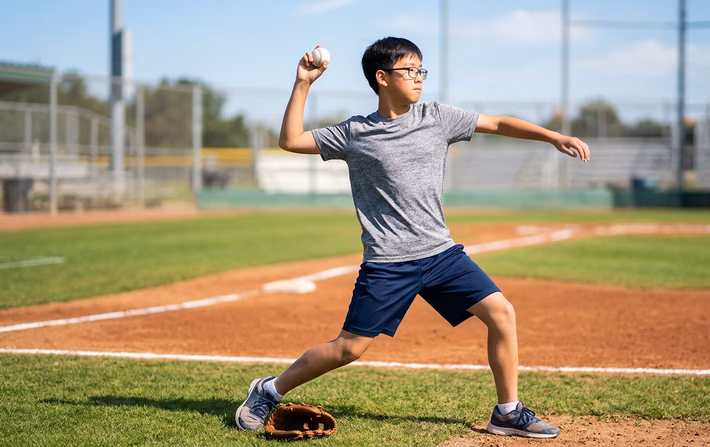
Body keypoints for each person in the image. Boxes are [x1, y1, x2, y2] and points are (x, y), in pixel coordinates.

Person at [236, 36, 589, 439]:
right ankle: (269, 389)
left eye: (422, 70)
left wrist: (552, 137)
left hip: (441, 255)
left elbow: (496, 123)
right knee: (349, 349)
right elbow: (291, 140)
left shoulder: (437, 117)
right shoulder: (356, 132)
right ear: (382, 78)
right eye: (410, 71)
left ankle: (507, 412)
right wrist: (304, 83)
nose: (419, 78)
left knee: (502, 313)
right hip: (388, 262)